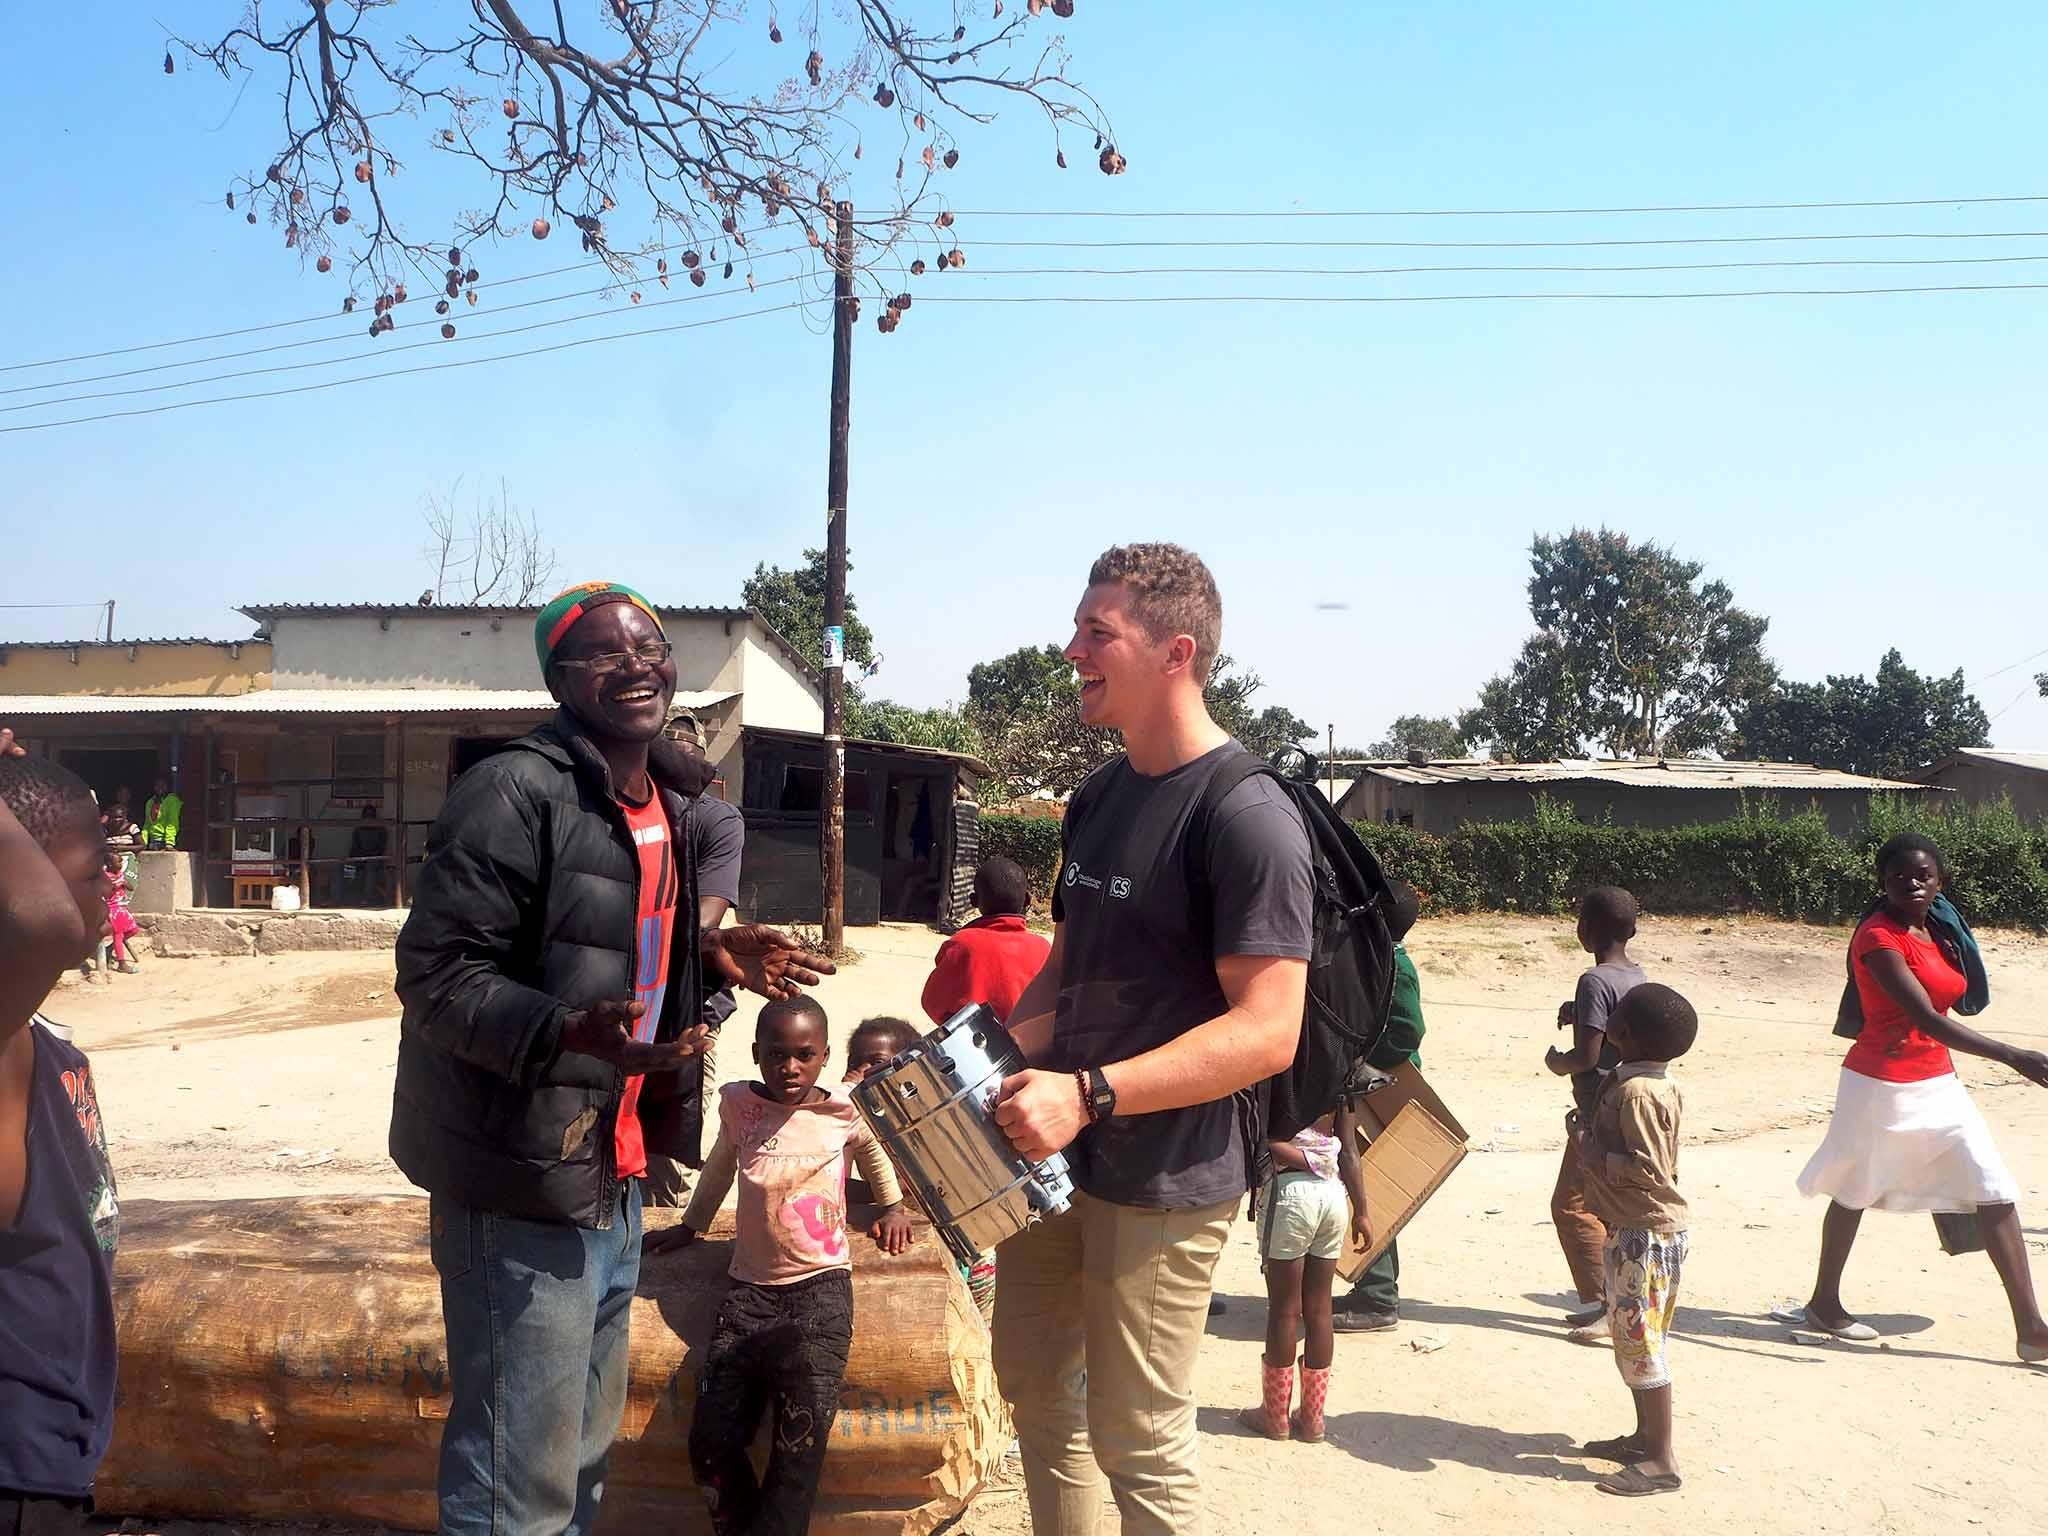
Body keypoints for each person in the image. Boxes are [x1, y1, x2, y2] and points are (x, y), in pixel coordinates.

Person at [390, 580, 834, 1536]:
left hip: (614, 1170)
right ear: (558, 677)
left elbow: (617, 940)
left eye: (650, 647)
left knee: (583, 1460)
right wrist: (561, 1030)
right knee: (519, 1473)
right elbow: (434, 978)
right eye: (604, 653)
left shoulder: (659, 802)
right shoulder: (513, 789)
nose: (636, 665)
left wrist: (713, 949)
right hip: (521, 1180)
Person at [991, 543, 1314, 1536]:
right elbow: (1065, 965)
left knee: (1138, 1435)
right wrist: (984, 1065)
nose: (1069, 648)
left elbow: (1268, 1032)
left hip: (1167, 1171)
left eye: (1097, 632)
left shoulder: (1244, 815)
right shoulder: (1095, 798)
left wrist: (1083, 1092)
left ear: (1174, 652)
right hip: (1052, 1154)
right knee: (1039, 1396)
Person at [1781, 833, 2048, 1359]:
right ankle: (1824, 1303)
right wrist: (2015, 1057)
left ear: (1940, 881)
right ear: (1883, 882)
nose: (1912, 883)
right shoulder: (1878, 938)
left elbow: (1949, 1008)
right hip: (1879, 1084)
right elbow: (1925, 1016)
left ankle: (2033, 1330)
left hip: (1937, 1082)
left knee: (1993, 1187)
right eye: (1900, 875)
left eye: (1923, 875)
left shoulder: (1938, 932)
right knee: (1855, 1189)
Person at [666, 997, 915, 1536]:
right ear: (756, 1054)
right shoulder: (742, 1108)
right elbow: (719, 1168)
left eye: (805, 1055)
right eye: (776, 1054)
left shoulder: (843, 1110)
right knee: (711, 1443)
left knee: (797, 1452)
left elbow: (870, 1150)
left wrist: (891, 1205)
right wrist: (691, 1227)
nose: (790, 1067)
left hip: (821, 1296)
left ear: (824, 1056)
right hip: (747, 1294)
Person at [0, 730, 123, 1534]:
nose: (115, 878)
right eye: (96, 866)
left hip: (53, 1444)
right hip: (14, 1455)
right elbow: (44, 921)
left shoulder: (42, 1038)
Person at [1571, 982, 1697, 1497]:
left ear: (1622, 1032)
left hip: (1643, 1237)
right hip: (1637, 1231)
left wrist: (1593, 1154)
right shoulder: (1642, 1081)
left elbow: (1649, 1170)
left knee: (1641, 1345)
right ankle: (1645, 1439)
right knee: (1635, 1341)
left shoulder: (1639, 1093)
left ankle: (1661, 1460)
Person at [642, 704, 748, 1209]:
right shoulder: (641, 810)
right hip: (673, 991)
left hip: (681, 992)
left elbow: (708, 916)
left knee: (662, 1121)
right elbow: (708, 917)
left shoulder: (713, 819)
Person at [1542, 886, 1646, 1328]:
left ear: (1585, 930)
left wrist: (1557, 1062)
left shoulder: (1594, 980)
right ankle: (1616, 1300)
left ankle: (1606, 1303)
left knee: (1571, 1206)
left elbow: (1586, 1057)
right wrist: (1577, 1011)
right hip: (1627, 1101)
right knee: (1608, 1206)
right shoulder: (1637, 976)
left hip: (1597, 1107)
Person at [1238, 1097, 1370, 1444]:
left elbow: (1263, 1138)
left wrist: (1301, 1159)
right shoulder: (1340, 1079)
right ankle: (1312, 1420)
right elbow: (1349, 1151)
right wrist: (1362, 1212)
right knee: (1320, 1309)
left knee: (1284, 1310)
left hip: (1290, 1193)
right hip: (1333, 1195)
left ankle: (1275, 1416)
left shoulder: (1277, 1073)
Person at [1334, 877, 1425, 1332]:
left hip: (1386, 1089)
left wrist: (1365, 1060)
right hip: (1373, 1083)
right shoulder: (1381, 960)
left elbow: (1408, 1033)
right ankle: (1370, 1288)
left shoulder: (1396, 967)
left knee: (1372, 1184)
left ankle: (1378, 1297)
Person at [921, 857, 1052, 1026]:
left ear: (973, 901)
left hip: (975, 1047)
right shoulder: (1042, 948)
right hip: (1028, 1047)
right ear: (1027, 900)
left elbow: (932, 1002)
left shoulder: (962, 944)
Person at [141, 777, 182, 849]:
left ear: (168, 787)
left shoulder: (172, 801)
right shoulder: (150, 802)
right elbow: (146, 824)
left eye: (163, 785)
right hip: (152, 842)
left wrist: (169, 842)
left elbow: (172, 822)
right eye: (157, 785)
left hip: (165, 842)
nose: (160, 788)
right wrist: (143, 842)